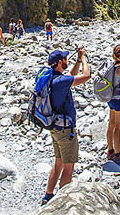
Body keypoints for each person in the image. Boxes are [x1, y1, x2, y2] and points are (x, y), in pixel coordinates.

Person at [42, 48, 91, 206]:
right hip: (65, 130)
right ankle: (61, 204)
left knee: (58, 163)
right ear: (58, 63)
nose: (66, 60)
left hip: (55, 127)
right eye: (64, 59)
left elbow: (70, 75)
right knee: (68, 167)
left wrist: (77, 61)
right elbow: (86, 76)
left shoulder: (53, 79)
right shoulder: (60, 82)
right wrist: (84, 60)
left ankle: (48, 196)